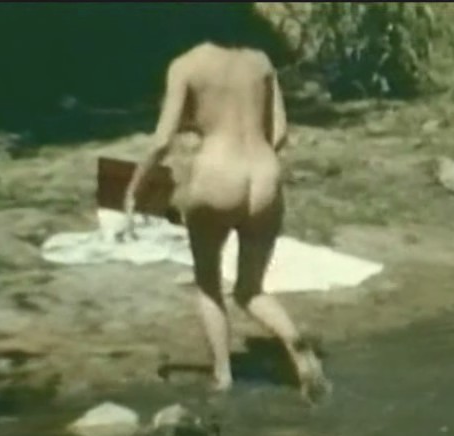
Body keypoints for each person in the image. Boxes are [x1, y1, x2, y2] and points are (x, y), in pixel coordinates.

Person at [121, 41, 330, 402]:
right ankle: (294, 341)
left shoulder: (186, 64)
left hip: (218, 173)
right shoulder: (261, 61)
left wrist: (133, 190)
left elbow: (162, 141)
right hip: (264, 175)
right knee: (250, 289)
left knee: (208, 283)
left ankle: (222, 375)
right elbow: (279, 132)